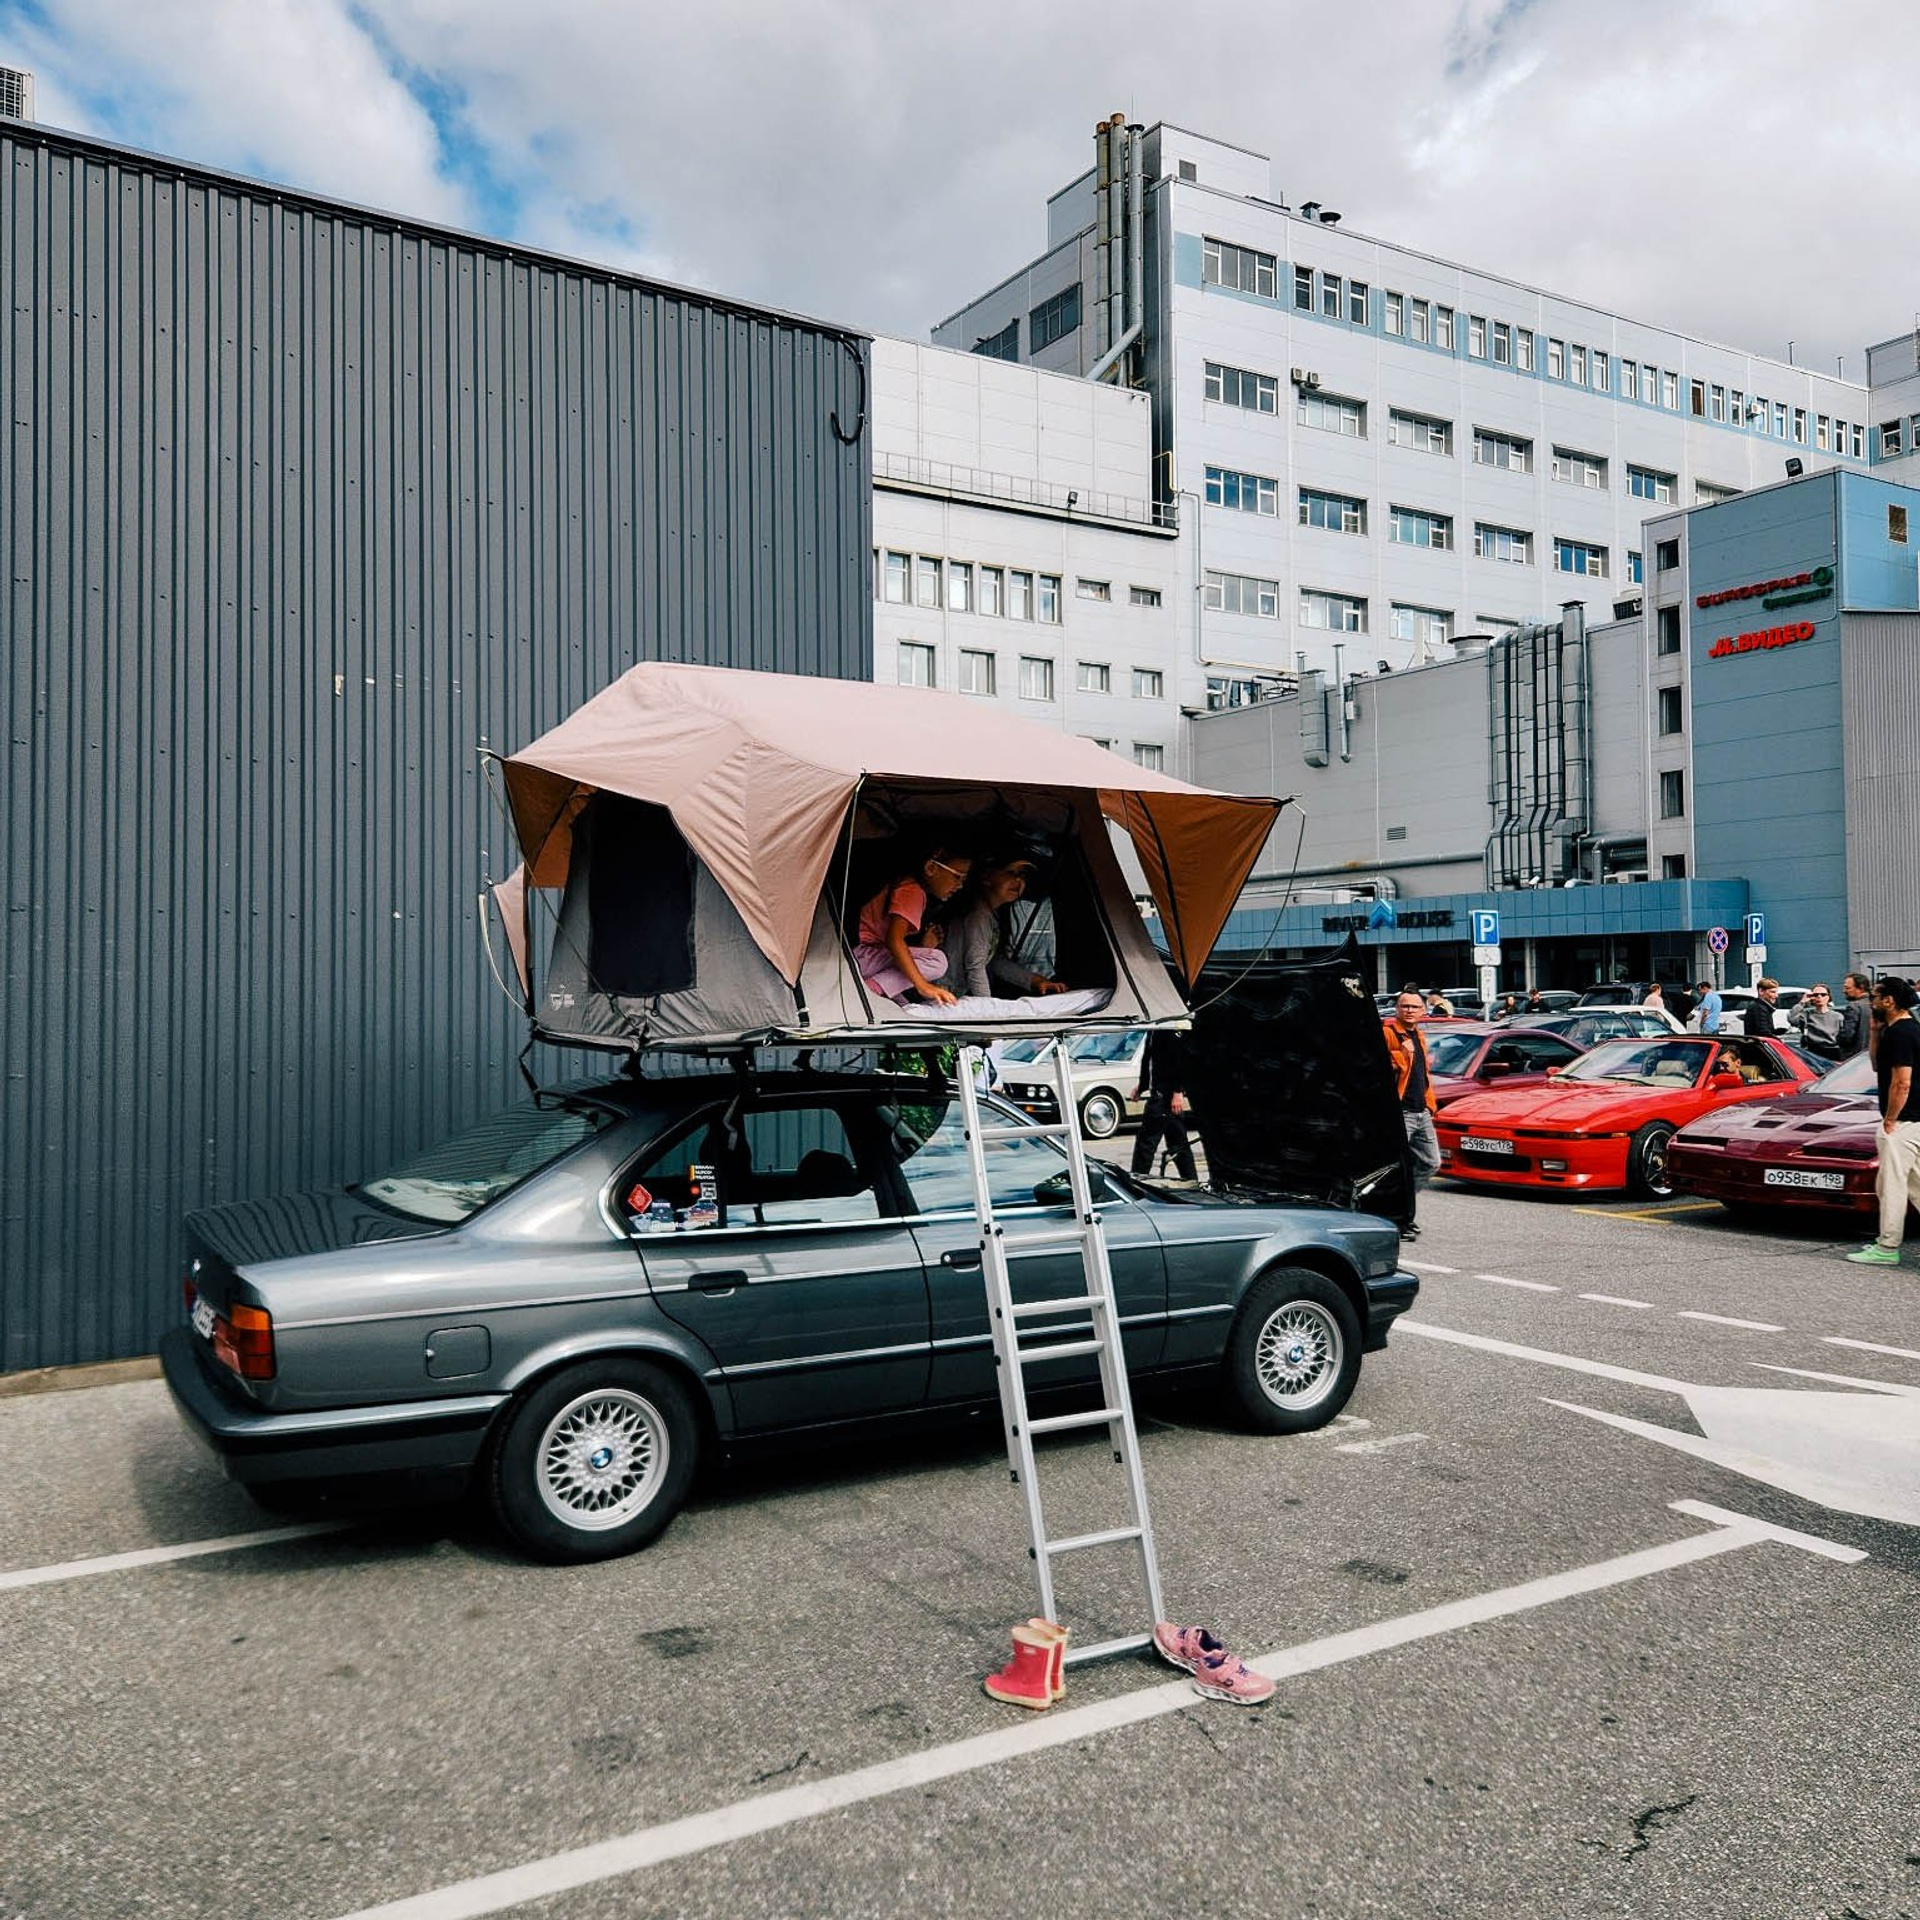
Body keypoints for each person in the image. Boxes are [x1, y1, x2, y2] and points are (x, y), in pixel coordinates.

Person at [1845, 976, 1920, 1265]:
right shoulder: (1896, 1030)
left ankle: (1887, 1248)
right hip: (1910, 1122)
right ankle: (1886, 1246)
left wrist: (1890, 1119)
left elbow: (1902, 1082)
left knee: (1891, 1186)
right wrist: (1875, 1032)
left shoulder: (1903, 1033)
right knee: (1915, 1185)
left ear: (1889, 1000)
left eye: (1875, 997)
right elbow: (1877, 1065)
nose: (1871, 1001)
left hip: (1904, 1122)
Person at [941, 852, 1067, 999]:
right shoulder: (978, 915)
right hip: (941, 991)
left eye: (1022, 875)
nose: (1018, 880)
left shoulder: (992, 915)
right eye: (1011, 873)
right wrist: (988, 1009)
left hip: (950, 993)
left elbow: (995, 962)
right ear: (986, 877)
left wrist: (1035, 980)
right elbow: (975, 966)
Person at [854, 846, 971, 1004]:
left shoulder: (905, 885)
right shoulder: (912, 891)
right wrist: (924, 986)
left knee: (903, 1006)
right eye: (957, 877)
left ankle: (874, 989)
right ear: (931, 868)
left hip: (863, 959)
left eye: (964, 880)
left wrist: (923, 947)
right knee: (937, 960)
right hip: (862, 956)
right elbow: (894, 941)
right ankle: (868, 990)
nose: (960, 886)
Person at [1384, 989, 1440, 1241]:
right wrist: (1402, 1055)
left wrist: (1429, 1105)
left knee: (1431, 1163)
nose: (1409, 1010)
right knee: (1394, 1168)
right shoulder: (1388, 1033)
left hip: (1421, 1111)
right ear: (1397, 1009)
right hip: (1400, 1112)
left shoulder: (1418, 1035)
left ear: (1423, 1011)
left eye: (1414, 1007)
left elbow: (1423, 1074)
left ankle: (1403, 1210)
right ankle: (1394, 1218)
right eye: (1404, 1006)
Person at [1130, 1028, 1198, 1181]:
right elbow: (1148, 1059)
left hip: (1164, 1095)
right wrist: (1142, 1086)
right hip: (1159, 1092)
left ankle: (1137, 1179)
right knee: (1178, 1142)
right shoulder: (1153, 1030)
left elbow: (1180, 1059)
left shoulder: (1169, 1029)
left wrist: (1178, 1091)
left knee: (1146, 1143)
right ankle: (1191, 1180)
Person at [1788, 983, 1846, 1061]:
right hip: (1812, 1053)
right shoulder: (1807, 1015)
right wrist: (1802, 1002)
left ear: (1828, 997)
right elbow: (1792, 1019)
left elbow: (1845, 1037)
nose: (1819, 997)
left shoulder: (1838, 1016)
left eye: (1823, 994)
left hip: (1833, 1052)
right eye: (1815, 995)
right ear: (1812, 998)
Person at [1837, 972, 1873, 1056]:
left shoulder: (1854, 1007)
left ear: (1861, 988)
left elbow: (1847, 1035)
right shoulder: (1877, 1005)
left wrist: (1838, 1038)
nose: (1844, 991)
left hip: (1856, 1058)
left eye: (1847, 988)